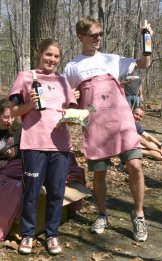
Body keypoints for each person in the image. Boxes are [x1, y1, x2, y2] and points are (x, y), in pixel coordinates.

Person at [64, 16, 153, 242]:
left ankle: (139, 215)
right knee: (99, 173)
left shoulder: (112, 59)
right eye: (93, 35)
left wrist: (147, 38)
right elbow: (66, 98)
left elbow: (144, 64)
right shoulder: (73, 67)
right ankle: (103, 214)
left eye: (100, 34)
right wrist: (71, 101)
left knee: (135, 165)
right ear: (81, 37)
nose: (98, 38)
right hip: (96, 127)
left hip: (122, 123)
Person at [9, 39, 77, 255]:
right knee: (32, 192)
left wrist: (73, 117)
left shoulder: (63, 81)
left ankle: (52, 234)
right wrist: (30, 104)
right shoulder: (25, 77)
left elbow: (73, 113)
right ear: (40, 54)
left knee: (56, 193)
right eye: (49, 54)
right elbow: (12, 111)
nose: (52, 59)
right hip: (34, 144)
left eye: (56, 56)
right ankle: (28, 235)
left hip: (60, 146)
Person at [0, 97, 22, 240]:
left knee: (16, 187)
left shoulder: (19, 130)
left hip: (13, 169)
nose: (10, 121)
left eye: (13, 117)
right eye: (6, 117)